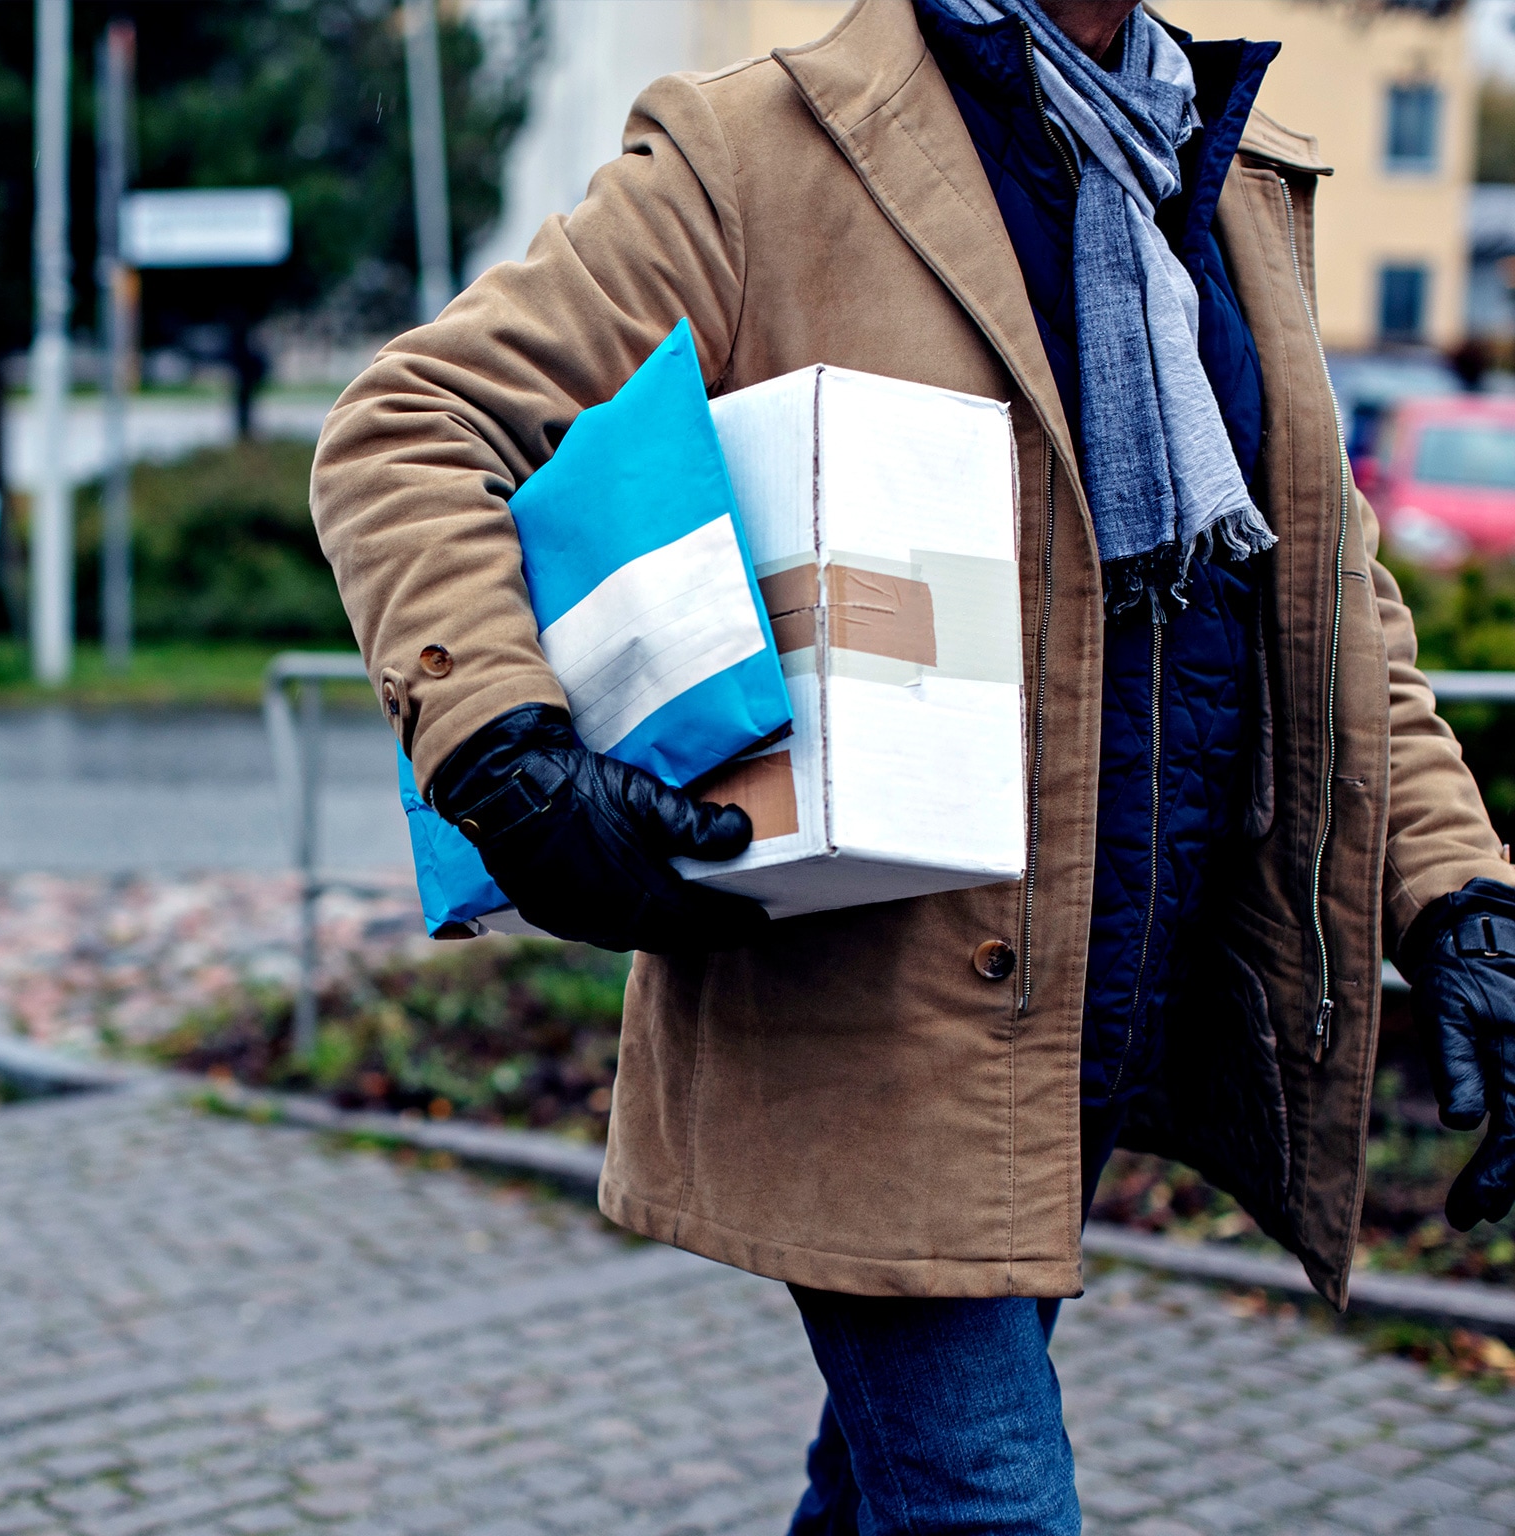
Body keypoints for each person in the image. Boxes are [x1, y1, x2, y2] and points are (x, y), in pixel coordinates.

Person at [311, 0, 1515, 1527]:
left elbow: (1330, 605)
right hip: (889, 1028)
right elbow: (409, 425)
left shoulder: (1216, 171)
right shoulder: (762, 150)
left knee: (878, 1498)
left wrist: (1461, 899)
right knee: (988, 1508)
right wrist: (501, 746)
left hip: (1110, 1011)